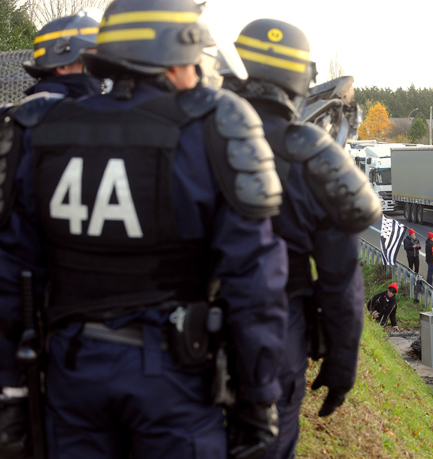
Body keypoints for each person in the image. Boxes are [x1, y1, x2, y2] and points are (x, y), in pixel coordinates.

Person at [0, 1, 289, 457]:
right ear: (178, 56)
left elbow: (10, 271)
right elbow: (256, 282)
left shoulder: (39, 127)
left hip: (68, 374)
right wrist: (258, 396)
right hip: (174, 380)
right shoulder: (211, 127)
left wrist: (9, 388)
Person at [227, 19, 382, 459]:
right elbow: (339, 280)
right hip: (278, 333)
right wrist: (341, 364)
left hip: (187, 329)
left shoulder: (194, 136)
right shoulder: (312, 155)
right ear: (300, 80)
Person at [21, 10, 102, 99]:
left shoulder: (41, 104)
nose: (98, 70)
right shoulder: (66, 109)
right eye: (91, 62)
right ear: (63, 67)